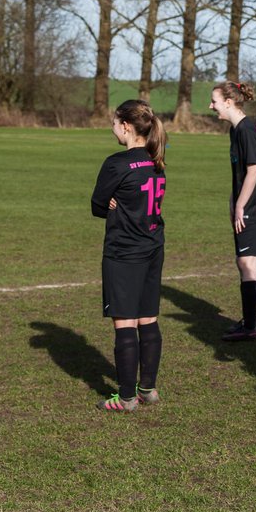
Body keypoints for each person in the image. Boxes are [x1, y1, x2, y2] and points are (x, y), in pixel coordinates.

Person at [89, 99, 167, 412]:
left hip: (124, 251)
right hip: (153, 247)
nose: (112, 128)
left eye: (113, 122)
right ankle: (147, 388)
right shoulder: (156, 160)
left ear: (125, 126)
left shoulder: (117, 163)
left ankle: (125, 397)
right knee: (148, 319)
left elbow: (97, 205)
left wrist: (110, 203)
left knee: (125, 323)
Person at [208, 81, 256, 342]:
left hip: (254, 205)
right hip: (251, 202)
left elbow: (254, 171)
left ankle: (251, 326)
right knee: (245, 262)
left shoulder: (245, 130)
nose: (210, 105)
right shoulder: (237, 130)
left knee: (247, 262)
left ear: (228, 102)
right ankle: (249, 321)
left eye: (214, 100)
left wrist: (240, 205)